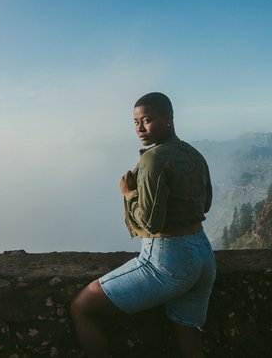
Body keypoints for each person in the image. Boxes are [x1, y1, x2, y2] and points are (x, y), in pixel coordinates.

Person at [70, 92, 216, 358]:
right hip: (203, 255)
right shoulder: (193, 155)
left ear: (167, 119)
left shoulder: (153, 159)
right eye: (135, 122)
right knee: (190, 340)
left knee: (82, 306)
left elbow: (150, 221)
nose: (139, 128)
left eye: (147, 120)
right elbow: (204, 205)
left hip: (168, 259)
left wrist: (129, 193)